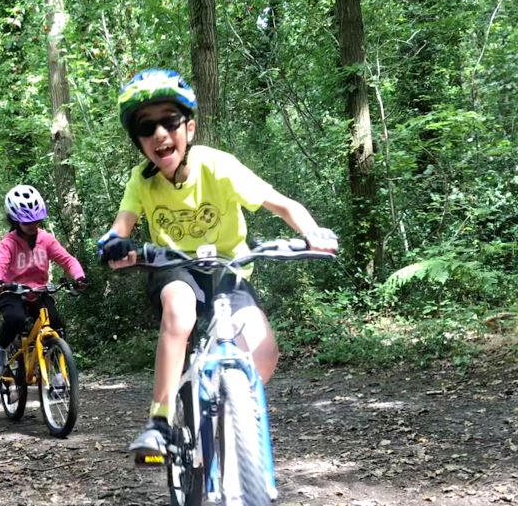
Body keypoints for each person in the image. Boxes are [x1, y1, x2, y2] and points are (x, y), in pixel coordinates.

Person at [97, 68, 338, 457]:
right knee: (180, 311)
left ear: (189, 129)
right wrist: (115, 244)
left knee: (264, 348)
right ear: (139, 142)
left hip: (229, 269)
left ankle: (234, 406)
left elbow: (282, 203)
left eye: (170, 122)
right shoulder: (141, 181)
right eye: (147, 127)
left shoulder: (218, 166)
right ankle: (159, 421)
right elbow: (121, 225)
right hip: (173, 266)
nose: (160, 133)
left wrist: (314, 232)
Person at [0, 184, 87, 376]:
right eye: (27, 222)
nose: (33, 226)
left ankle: (59, 375)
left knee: (56, 324)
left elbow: (67, 259)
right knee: (15, 319)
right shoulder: (8, 243)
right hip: (12, 291)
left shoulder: (46, 239)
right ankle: (0, 349)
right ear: (15, 221)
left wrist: (79, 276)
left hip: (38, 291)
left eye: (37, 221)